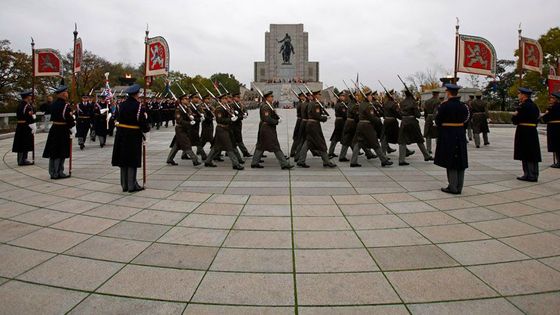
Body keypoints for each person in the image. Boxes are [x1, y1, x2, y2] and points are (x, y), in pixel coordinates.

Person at [111, 84, 151, 192]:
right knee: (132, 160)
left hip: (121, 134)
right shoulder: (138, 106)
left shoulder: (120, 105)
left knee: (123, 160)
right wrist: (146, 129)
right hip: (133, 135)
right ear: (137, 94)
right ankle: (131, 185)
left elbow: (116, 118)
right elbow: (141, 121)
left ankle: (124, 185)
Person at [434, 84, 470, 194]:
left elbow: (438, 120)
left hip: (448, 134)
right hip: (460, 133)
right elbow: (467, 120)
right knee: (460, 160)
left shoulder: (444, 106)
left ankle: (452, 186)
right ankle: (459, 187)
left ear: (448, 93)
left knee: (450, 159)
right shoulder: (464, 106)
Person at [251, 91, 293, 169]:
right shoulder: (265, 107)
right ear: (267, 98)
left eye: (272, 96)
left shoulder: (269, 105)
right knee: (275, 146)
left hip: (267, 128)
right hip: (267, 128)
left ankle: (254, 162)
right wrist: (276, 121)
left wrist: (277, 117)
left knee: (261, 146)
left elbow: (271, 115)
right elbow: (267, 118)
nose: (272, 98)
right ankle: (284, 164)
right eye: (271, 97)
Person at [350, 90, 392, 167]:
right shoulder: (368, 106)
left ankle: (353, 161)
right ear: (367, 97)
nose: (371, 97)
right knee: (375, 143)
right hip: (367, 126)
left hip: (360, 125)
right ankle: (384, 160)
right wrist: (379, 119)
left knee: (358, 143)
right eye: (370, 95)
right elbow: (372, 117)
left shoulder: (361, 104)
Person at [42, 85, 75, 179]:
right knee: (60, 151)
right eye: (66, 92)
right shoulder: (65, 105)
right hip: (62, 129)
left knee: (54, 151)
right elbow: (67, 117)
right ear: (63, 93)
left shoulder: (54, 104)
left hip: (54, 128)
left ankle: (53, 172)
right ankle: (58, 172)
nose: (67, 94)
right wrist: (72, 126)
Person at [297, 90, 336, 168]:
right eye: (318, 94)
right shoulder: (316, 104)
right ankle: (326, 161)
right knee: (320, 143)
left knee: (308, 143)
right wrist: (325, 118)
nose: (320, 95)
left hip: (310, 124)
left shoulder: (311, 103)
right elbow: (317, 116)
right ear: (315, 96)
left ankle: (301, 160)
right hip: (314, 125)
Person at [204, 94, 244, 170]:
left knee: (216, 147)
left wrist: (236, 116)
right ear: (221, 100)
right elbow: (219, 120)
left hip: (227, 129)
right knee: (229, 147)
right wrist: (230, 120)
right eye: (224, 99)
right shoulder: (219, 109)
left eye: (227, 98)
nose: (226, 100)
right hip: (221, 129)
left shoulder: (227, 108)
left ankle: (208, 161)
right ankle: (235, 164)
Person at [513, 87, 541, 182]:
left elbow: (516, 120)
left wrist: (515, 115)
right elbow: (538, 118)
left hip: (524, 131)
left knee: (525, 153)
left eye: (519, 94)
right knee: (532, 153)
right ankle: (533, 174)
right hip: (532, 130)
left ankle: (528, 174)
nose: (518, 95)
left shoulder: (523, 106)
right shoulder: (534, 106)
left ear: (523, 95)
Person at [398, 90, 433, 165]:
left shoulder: (402, 102)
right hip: (412, 122)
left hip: (404, 121)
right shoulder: (413, 102)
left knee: (403, 141)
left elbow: (400, 113)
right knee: (419, 139)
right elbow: (417, 114)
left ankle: (401, 160)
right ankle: (426, 155)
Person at [167, 94, 201, 166]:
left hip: (185, 129)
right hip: (180, 129)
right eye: (185, 99)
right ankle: (195, 160)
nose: (187, 100)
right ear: (182, 100)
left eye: (187, 98)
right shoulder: (178, 109)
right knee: (187, 144)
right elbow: (179, 120)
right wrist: (189, 123)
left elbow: (190, 115)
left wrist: (193, 117)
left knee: (177, 145)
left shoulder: (186, 108)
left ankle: (169, 159)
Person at [12, 89, 36, 166]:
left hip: (20, 125)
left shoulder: (20, 105)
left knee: (21, 143)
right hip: (25, 126)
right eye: (30, 96)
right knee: (24, 143)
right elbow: (28, 117)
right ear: (27, 97)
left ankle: (21, 159)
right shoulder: (26, 106)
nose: (31, 97)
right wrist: (33, 125)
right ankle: (23, 160)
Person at [328, 90, 348, 158]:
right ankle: (331, 152)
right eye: (342, 96)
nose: (344, 97)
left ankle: (331, 152)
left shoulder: (340, 104)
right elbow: (344, 114)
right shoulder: (340, 105)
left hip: (340, 121)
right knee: (337, 137)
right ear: (339, 97)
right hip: (340, 122)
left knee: (336, 137)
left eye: (344, 96)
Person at [542, 92, 560, 168]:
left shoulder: (552, 108)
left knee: (556, 146)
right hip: (556, 127)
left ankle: (559, 162)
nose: (550, 100)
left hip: (555, 128)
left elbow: (545, 119)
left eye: (552, 98)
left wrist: (546, 113)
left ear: (556, 99)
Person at [231, 92, 252, 157]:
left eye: (239, 97)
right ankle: (245, 152)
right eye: (237, 97)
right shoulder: (232, 105)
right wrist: (241, 116)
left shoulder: (240, 104)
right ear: (234, 98)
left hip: (239, 123)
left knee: (234, 139)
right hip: (234, 124)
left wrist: (246, 113)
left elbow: (244, 110)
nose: (239, 98)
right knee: (238, 139)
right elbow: (234, 115)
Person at [381, 91, 401, 156]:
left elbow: (383, 112)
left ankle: (383, 153)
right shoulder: (394, 104)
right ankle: (405, 151)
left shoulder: (385, 103)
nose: (394, 96)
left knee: (385, 137)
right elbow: (397, 113)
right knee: (399, 136)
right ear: (391, 96)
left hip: (386, 121)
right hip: (392, 122)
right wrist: (401, 117)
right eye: (393, 94)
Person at [197, 94, 215, 160]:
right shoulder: (202, 106)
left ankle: (199, 150)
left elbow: (213, 111)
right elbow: (204, 115)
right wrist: (211, 118)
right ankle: (215, 152)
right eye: (207, 99)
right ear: (204, 100)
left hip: (210, 123)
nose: (209, 100)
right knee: (209, 138)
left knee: (204, 139)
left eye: (209, 99)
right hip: (206, 123)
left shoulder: (209, 106)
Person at [423, 90, 441, 154]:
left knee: (428, 134)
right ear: (437, 94)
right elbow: (436, 111)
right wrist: (434, 120)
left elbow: (425, 111)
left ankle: (428, 149)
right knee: (438, 134)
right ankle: (439, 148)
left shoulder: (427, 101)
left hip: (428, 117)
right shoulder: (438, 101)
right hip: (435, 118)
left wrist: (426, 118)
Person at [289, 92, 306, 157]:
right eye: (302, 96)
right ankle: (294, 152)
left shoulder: (301, 103)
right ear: (300, 97)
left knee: (298, 138)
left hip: (300, 120)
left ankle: (293, 151)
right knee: (298, 138)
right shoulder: (300, 104)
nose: (304, 97)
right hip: (300, 121)